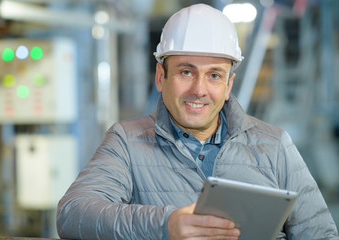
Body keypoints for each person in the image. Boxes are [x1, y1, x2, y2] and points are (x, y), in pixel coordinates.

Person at [56, 3, 339, 240]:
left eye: (214, 75)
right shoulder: (127, 141)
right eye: (186, 72)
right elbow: (73, 214)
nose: (199, 90)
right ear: (160, 76)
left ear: (229, 85)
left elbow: (322, 234)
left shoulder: (274, 144)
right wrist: (165, 224)